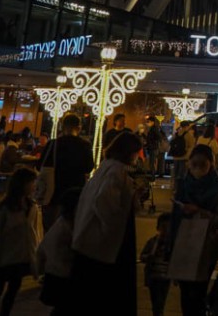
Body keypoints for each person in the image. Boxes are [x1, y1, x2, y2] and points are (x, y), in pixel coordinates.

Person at [71, 132, 145, 316]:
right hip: (102, 244)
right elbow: (105, 202)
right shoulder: (116, 172)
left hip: (89, 241)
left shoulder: (106, 167)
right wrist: (113, 226)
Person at [170, 144, 218, 316]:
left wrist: (200, 212)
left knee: (198, 293)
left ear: (211, 164)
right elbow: (174, 216)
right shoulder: (183, 184)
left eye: (202, 165)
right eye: (193, 164)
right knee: (185, 292)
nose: (197, 169)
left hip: (206, 247)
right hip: (183, 243)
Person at [0, 167, 42, 316]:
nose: (34, 185)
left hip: (19, 258)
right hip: (4, 259)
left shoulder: (31, 206)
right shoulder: (4, 209)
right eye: (32, 182)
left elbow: (32, 233)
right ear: (23, 184)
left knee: (11, 293)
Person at [38, 113, 94, 232]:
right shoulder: (85, 145)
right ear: (78, 128)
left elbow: (40, 166)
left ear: (62, 127)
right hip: (75, 192)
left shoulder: (53, 144)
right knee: (70, 231)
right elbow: (89, 167)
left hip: (52, 193)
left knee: (49, 230)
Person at [37, 188, 81, 315]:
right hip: (61, 274)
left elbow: (43, 248)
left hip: (55, 273)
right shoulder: (66, 227)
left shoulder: (62, 223)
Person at [141, 213, 172, 316]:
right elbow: (143, 256)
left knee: (161, 301)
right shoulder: (152, 242)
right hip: (154, 277)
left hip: (165, 278)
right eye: (164, 227)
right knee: (156, 301)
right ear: (158, 228)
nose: (166, 231)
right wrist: (149, 256)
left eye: (168, 228)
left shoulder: (171, 245)